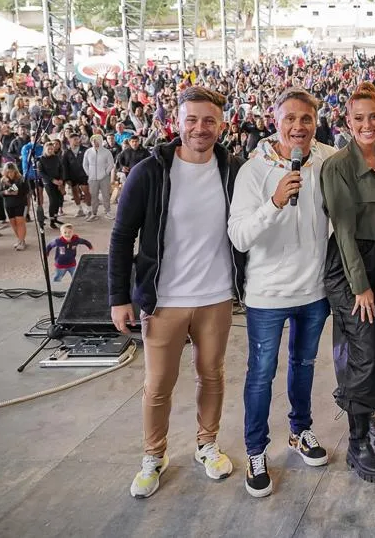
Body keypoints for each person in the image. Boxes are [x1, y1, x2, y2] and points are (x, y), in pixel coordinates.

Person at [108, 86, 246, 500]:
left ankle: (207, 444)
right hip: (164, 298)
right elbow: (121, 236)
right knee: (158, 383)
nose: (200, 128)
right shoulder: (149, 172)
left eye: (209, 121)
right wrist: (119, 297)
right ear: (177, 122)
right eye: (192, 119)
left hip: (216, 295)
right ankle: (154, 456)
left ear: (222, 125)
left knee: (212, 374)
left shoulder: (233, 170)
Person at [227, 89, 335, 498]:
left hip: (314, 290)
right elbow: (239, 237)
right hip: (267, 296)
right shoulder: (253, 172)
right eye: (290, 118)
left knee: (304, 366)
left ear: (316, 121)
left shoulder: (327, 160)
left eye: (306, 119)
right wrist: (274, 202)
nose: (298, 127)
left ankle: (300, 431)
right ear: (275, 120)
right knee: (260, 375)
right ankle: (256, 450)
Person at [321, 85, 375, 484]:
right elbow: (342, 229)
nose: (367, 124)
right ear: (347, 122)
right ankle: (357, 444)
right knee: (362, 347)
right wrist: (359, 286)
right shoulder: (337, 165)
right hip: (351, 263)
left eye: (373, 116)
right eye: (358, 118)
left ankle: (367, 410)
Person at [83, 134, 115, 221]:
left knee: (106, 196)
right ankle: (94, 213)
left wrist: (106, 172)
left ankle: (107, 212)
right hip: (92, 178)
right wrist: (89, 173)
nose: (95, 142)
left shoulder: (106, 152)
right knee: (93, 196)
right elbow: (85, 164)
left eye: (97, 140)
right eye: (93, 141)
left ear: (100, 141)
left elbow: (111, 164)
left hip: (104, 177)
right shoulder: (88, 152)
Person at [0, 162, 30, 250]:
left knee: (20, 223)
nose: (10, 174)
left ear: (15, 171)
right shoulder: (3, 180)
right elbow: (0, 192)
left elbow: (23, 190)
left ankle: (22, 241)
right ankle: (20, 240)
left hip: (20, 203)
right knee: (13, 223)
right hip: (8, 204)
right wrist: (5, 192)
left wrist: (10, 186)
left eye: (12, 171)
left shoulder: (21, 179)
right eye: (8, 172)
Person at [38, 138, 66, 229]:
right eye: (48, 149)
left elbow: (61, 169)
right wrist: (52, 180)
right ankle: (51, 220)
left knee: (58, 200)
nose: (50, 150)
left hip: (58, 181)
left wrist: (61, 179)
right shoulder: (41, 159)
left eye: (52, 149)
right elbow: (41, 172)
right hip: (48, 183)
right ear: (45, 149)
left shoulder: (56, 157)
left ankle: (55, 217)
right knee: (53, 201)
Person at [63, 133, 90, 217]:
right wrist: (66, 178)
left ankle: (89, 209)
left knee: (86, 192)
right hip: (72, 176)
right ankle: (80, 209)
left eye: (78, 139)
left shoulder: (86, 150)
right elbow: (64, 166)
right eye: (75, 139)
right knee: (75, 192)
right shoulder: (66, 152)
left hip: (84, 174)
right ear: (69, 141)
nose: (77, 141)